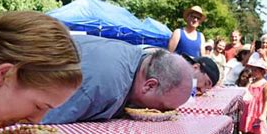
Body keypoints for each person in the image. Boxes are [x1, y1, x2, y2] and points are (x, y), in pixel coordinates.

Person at [43, 35, 194, 124]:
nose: (162, 113)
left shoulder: (136, 58)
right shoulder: (106, 87)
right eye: (164, 108)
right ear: (149, 86)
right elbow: (38, 124)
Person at [239, 55, 267, 134]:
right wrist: (249, 82)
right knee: (250, 132)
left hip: (258, 111)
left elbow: (266, 100)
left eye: (256, 70)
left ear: (262, 72)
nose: (253, 71)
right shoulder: (252, 82)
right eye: (253, 70)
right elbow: (245, 91)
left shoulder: (265, 84)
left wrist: (263, 114)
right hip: (249, 110)